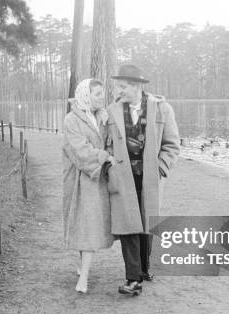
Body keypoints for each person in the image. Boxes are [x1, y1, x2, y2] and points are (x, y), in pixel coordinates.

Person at [105, 64, 180, 295]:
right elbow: (106, 143)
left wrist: (159, 169)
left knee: (147, 221)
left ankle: (145, 268)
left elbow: (172, 145)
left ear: (136, 86)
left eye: (123, 86)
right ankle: (133, 278)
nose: (118, 90)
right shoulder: (111, 111)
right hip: (123, 177)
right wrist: (110, 166)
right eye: (118, 86)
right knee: (128, 222)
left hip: (150, 178)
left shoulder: (162, 109)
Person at [63, 78, 116, 294]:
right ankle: (83, 274)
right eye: (97, 94)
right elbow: (80, 151)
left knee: (89, 226)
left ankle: (83, 274)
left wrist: (107, 126)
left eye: (102, 93)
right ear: (86, 96)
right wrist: (104, 156)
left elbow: (111, 142)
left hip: (97, 179)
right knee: (83, 225)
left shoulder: (101, 117)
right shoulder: (71, 120)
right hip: (79, 178)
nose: (102, 97)